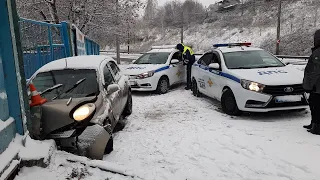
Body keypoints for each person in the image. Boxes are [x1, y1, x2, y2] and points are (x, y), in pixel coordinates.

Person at [303, 29, 320, 135]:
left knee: (316, 106)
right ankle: (314, 123)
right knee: (314, 104)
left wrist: (309, 86)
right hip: (317, 85)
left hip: (317, 86)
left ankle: (317, 126)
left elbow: (314, 72)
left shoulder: (318, 53)